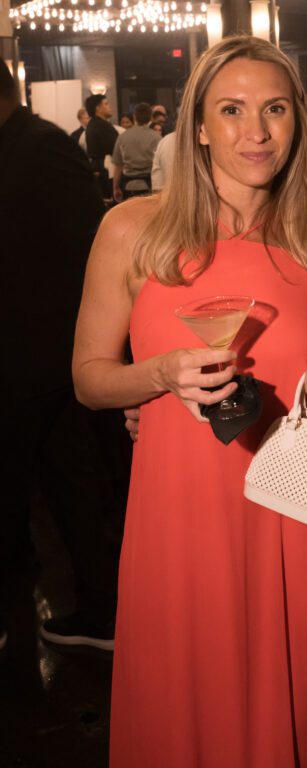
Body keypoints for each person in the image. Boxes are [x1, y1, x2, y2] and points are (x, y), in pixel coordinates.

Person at [73, 36, 307, 768]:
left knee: (282, 706)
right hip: (177, 521)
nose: (255, 132)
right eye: (231, 111)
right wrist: (161, 374)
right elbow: (89, 378)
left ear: (298, 120)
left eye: (274, 110)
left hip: (287, 521)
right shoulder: (132, 230)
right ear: (197, 125)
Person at [0, 61, 126, 652]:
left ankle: (100, 610)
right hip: (32, 353)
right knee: (64, 484)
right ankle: (95, 607)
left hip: (47, 355)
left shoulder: (40, 145)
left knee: (71, 484)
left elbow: (92, 243)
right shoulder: (21, 144)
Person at [111, 101, 160, 202]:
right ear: (151, 117)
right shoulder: (157, 137)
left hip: (129, 185)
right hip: (150, 184)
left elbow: (118, 166)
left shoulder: (123, 137)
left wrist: (115, 188)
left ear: (134, 117)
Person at [84, 93, 119, 200]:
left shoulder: (93, 124)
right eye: (106, 104)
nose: (110, 107)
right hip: (106, 168)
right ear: (98, 108)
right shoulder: (102, 126)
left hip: (99, 166)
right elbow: (116, 149)